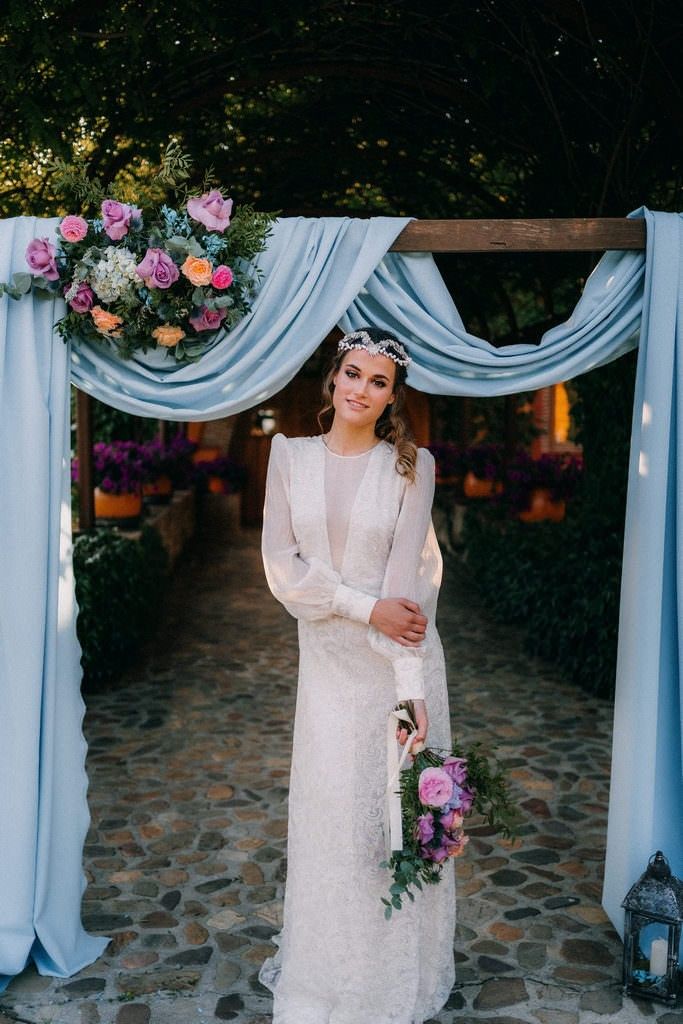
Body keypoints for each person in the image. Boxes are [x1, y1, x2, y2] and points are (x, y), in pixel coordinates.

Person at [258, 327, 456, 1024]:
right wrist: (361, 605)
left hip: (388, 664)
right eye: (351, 373)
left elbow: (406, 588)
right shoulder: (288, 457)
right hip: (329, 664)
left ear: (391, 396)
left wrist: (410, 688)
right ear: (331, 379)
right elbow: (285, 573)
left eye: (377, 382)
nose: (360, 390)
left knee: (388, 823)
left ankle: (388, 974)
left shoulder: (411, 466)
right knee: (329, 820)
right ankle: (323, 975)